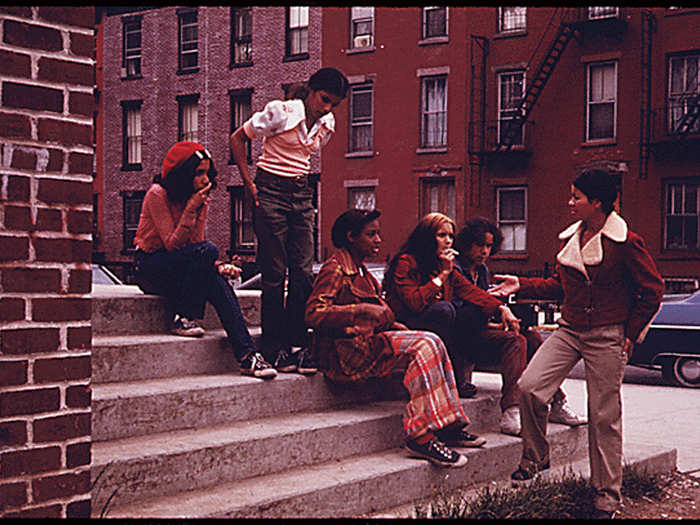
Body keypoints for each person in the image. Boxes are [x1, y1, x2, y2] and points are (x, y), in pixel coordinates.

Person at [490, 169, 664, 519]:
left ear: (596, 201)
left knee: (603, 416)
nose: (570, 203)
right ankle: (536, 457)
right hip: (569, 330)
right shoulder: (572, 238)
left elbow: (653, 290)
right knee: (529, 387)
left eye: (576, 197)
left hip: (606, 334)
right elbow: (560, 286)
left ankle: (606, 497)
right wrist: (520, 284)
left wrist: (630, 334)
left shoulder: (626, 242)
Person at [305, 209, 487, 468]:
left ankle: (448, 425)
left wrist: (395, 324)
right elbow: (313, 314)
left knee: (432, 340)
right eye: (371, 234)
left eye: (378, 233)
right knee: (424, 344)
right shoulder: (335, 268)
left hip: (367, 344)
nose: (379, 239)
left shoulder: (363, 272)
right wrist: (362, 311)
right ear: (351, 237)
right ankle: (419, 436)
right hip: (345, 352)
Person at [230, 67, 349, 375]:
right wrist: (248, 183)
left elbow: (305, 157)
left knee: (303, 271)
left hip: (301, 193)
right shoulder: (280, 112)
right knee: (274, 273)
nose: (326, 108)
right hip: (269, 190)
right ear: (311, 90)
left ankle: (297, 344)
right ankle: (273, 347)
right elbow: (237, 138)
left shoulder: (327, 123)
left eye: (333, 104)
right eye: (324, 99)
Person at [133, 141, 277, 380]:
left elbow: (195, 248)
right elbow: (172, 244)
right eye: (198, 173)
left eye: (207, 173)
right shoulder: (157, 194)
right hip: (149, 266)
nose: (204, 179)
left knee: (216, 281)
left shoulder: (201, 200)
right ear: (183, 173)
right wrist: (191, 209)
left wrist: (219, 266)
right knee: (209, 251)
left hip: (179, 267)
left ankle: (247, 356)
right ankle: (184, 316)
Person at [383, 212, 524, 436]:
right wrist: (442, 275)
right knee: (445, 310)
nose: (448, 241)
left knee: (518, 336)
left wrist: (501, 308)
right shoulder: (407, 261)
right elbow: (415, 302)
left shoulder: (443, 264)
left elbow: (471, 292)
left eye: (450, 235)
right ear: (427, 237)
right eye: (441, 235)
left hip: (437, 332)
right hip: (407, 328)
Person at [453, 217, 586, 432]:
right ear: (467, 243)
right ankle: (511, 409)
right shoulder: (456, 269)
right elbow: (462, 316)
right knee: (515, 341)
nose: (484, 251)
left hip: (480, 333)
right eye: (480, 245)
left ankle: (557, 400)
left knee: (532, 337)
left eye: (488, 246)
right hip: (463, 341)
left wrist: (500, 323)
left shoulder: (482, 271)